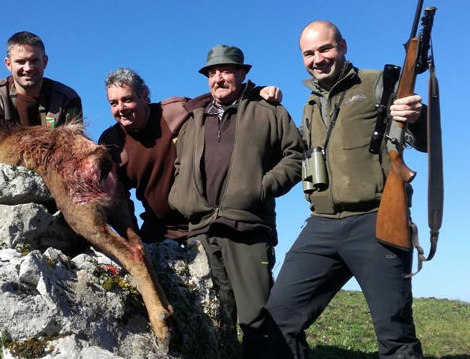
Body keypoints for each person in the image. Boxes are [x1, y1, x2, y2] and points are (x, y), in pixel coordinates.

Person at [264, 20, 427, 359]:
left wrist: (417, 115)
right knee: (277, 321)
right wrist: (265, 104)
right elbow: (289, 153)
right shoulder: (310, 105)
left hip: (376, 222)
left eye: (325, 48)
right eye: (309, 53)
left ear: (343, 45)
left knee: (395, 335)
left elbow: (423, 140)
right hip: (321, 226)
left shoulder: (377, 84)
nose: (317, 59)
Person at [168, 45, 304, 358]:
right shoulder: (193, 120)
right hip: (201, 230)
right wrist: (180, 195)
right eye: (212, 72)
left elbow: (296, 156)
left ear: (242, 74)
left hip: (247, 228)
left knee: (256, 319)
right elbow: (179, 166)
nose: (218, 78)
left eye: (226, 70)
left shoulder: (270, 111)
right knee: (213, 317)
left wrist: (261, 187)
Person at [99, 67, 283, 244]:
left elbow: (221, 98)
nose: (121, 108)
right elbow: (117, 197)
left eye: (127, 99)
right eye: (113, 103)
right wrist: (132, 237)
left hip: (202, 220)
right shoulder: (112, 142)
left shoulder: (175, 111)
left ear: (144, 95)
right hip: (159, 229)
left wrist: (258, 92)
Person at [0, 31, 82, 134]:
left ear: (45, 62)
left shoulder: (67, 99)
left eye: (34, 61)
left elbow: (75, 145)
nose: (28, 68)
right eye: (20, 62)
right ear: (8, 64)